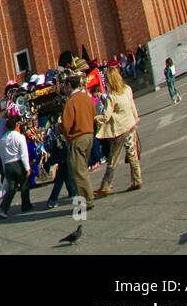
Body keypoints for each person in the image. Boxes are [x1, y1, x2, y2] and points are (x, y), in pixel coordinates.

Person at [96, 67, 142, 196]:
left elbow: (106, 116)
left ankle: (106, 186)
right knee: (132, 153)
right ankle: (137, 180)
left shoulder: (112, 96)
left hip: (119, 130)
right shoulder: (127, 89)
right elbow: (132, 105)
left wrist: (95, 118)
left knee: (113, 159)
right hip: (130, 125)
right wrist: (136, 118)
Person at [61, 73, 96, 212]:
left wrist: (60, 129)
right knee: (83, 169)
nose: (64, 88)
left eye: (65, 85)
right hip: (89, 135)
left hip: (78, 137)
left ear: (69, 85)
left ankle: (87, 201)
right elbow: (94, 114)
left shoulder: (71, 102)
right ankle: (88, 197)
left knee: (78, 171)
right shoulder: (86, 98)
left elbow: (66, 125)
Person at [0, 115, 33, 218]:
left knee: (11, 188)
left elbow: (2, 156)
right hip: (18, 164)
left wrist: (3, 168)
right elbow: (23, 154)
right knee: (24, 184)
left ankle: (3, 209)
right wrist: (27, 168)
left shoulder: (3, 139)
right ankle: (26, 205)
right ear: (17, 125)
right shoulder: (20, 137)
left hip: (7, 165)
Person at [44, 118, 77, 209]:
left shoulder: (53, 131)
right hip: (64, 155)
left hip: (62, 156)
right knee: (61, 177)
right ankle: (53, 199)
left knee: (65, 174)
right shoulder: (60, 133)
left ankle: (72, 192)